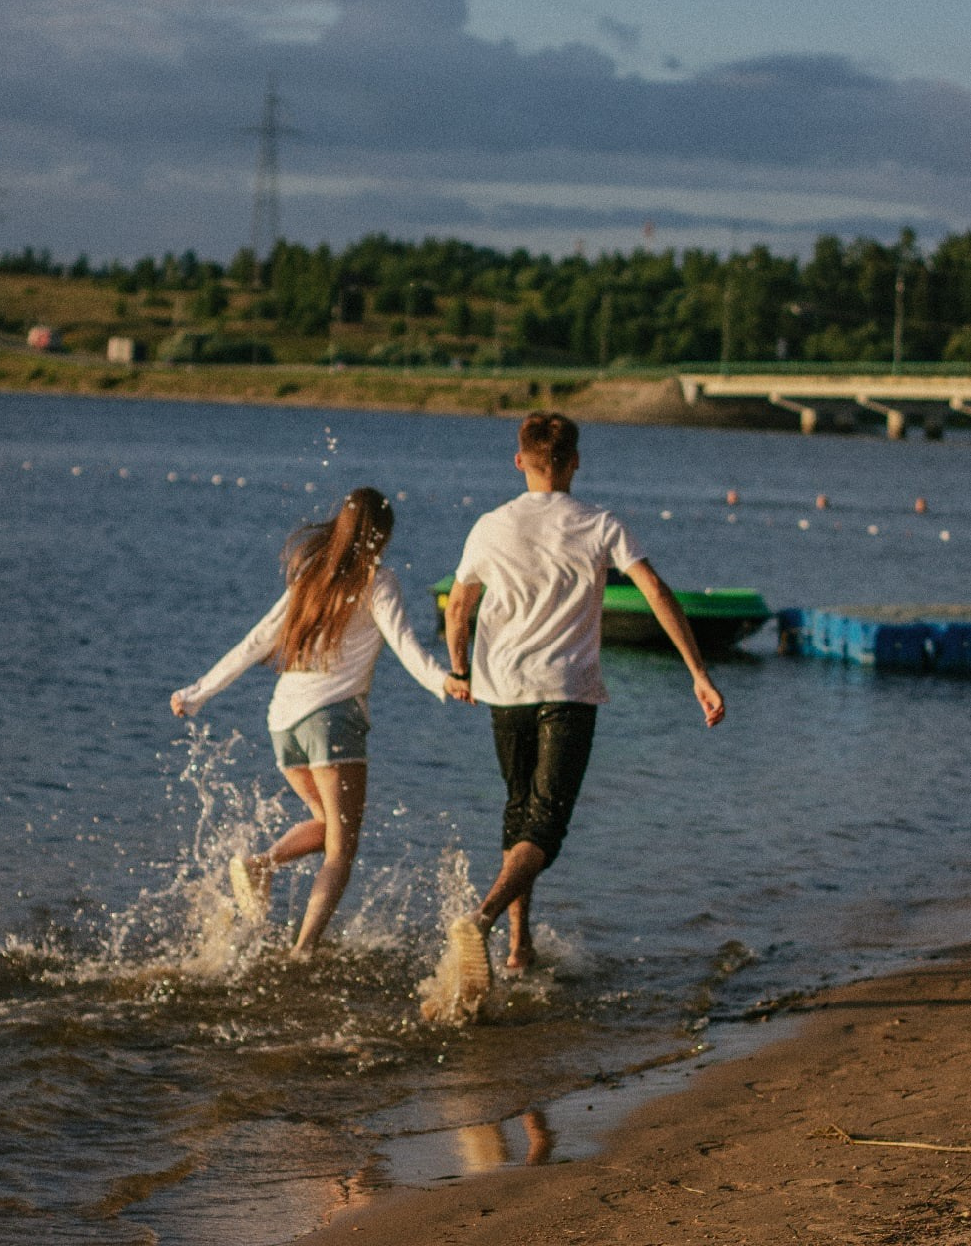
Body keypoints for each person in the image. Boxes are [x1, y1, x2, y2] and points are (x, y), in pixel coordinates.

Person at [439, 412, 725, 1001]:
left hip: (504, 689)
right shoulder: (599, 523)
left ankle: (519, 948)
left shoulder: (490, 525)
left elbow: (459, 606)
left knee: (520, 811)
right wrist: (697, 672)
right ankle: (483, 920)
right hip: (567, 690)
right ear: (573, 463)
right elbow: (655, 591)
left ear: (519, 461)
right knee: (545, 825)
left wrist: (460, 669)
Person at [171, 487, 469, 957]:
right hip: (332, 720)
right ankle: (303, 948)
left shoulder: (310, 575)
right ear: (382, 536)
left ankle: (263, 865)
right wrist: (443, 680)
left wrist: (196, 693)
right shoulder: (378, 581)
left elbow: (256, 640)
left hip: (283, 722)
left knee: (327, 823)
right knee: (341, 850)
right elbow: (405, 643)